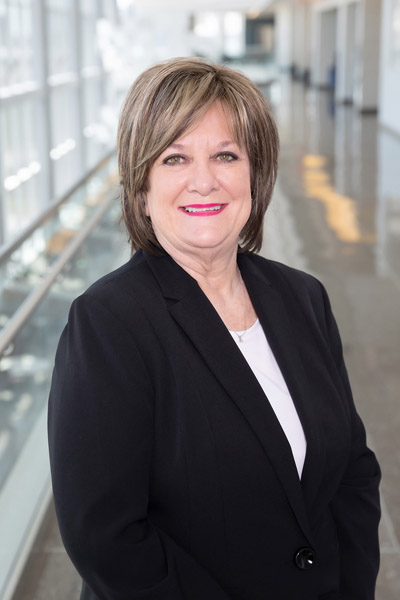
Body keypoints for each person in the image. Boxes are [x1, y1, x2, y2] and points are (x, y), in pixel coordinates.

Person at [48, 57, 381, 600]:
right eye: (175, 157)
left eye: (226, 154)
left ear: (256, 173)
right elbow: (107, 539)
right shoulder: (109, 323)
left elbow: (352, 471)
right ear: (142, 189)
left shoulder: (301, 296)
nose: (204, 180)